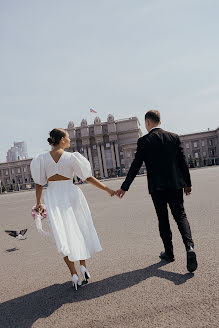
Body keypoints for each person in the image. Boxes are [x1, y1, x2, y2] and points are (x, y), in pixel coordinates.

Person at [30, 128, 115, 290]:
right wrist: (107, 189)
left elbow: (39, 183)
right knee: (79, 229)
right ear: (61, 140)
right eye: (68, 137)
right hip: (72, 194)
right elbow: (88, 177)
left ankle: (74, 274)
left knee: (62, 235)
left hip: (53, 196)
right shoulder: (72, 157)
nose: (70, 140)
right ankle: (83, 266)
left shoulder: (41, 159)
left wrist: (39, 203)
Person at [116, 110, 198, 273]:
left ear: (147, 123)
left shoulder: (144, 141)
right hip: (176, 185)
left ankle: (169, 252)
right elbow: (183, 162)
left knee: (163, 218)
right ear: (160, 121)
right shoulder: (173, 137)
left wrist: (124, 187)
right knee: (180, 215)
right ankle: (189, 247)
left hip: (157, 187)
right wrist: (188, 184)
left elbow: (135, 165)